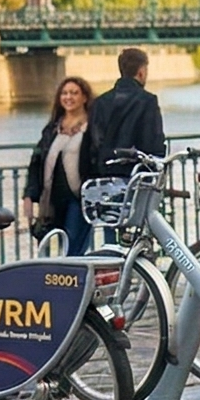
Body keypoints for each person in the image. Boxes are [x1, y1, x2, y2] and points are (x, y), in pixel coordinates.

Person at [23, 76, 99, 254]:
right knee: (45, 250)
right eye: (64, 93)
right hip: (51, 202)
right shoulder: (52, 128)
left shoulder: (93, 128)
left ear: (85, 97)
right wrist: (29, 195)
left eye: (74, 93)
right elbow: (36, 163)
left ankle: (72, 281)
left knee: (71, 250)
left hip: (78, 200)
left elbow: (97, 161)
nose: (68, 97)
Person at [89, 48, 167, 171]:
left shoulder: (100, 101)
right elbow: (153, 143)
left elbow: (94, 142)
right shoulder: (148, 101)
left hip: (106, 173)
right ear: (141, 72)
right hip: (136, 174)